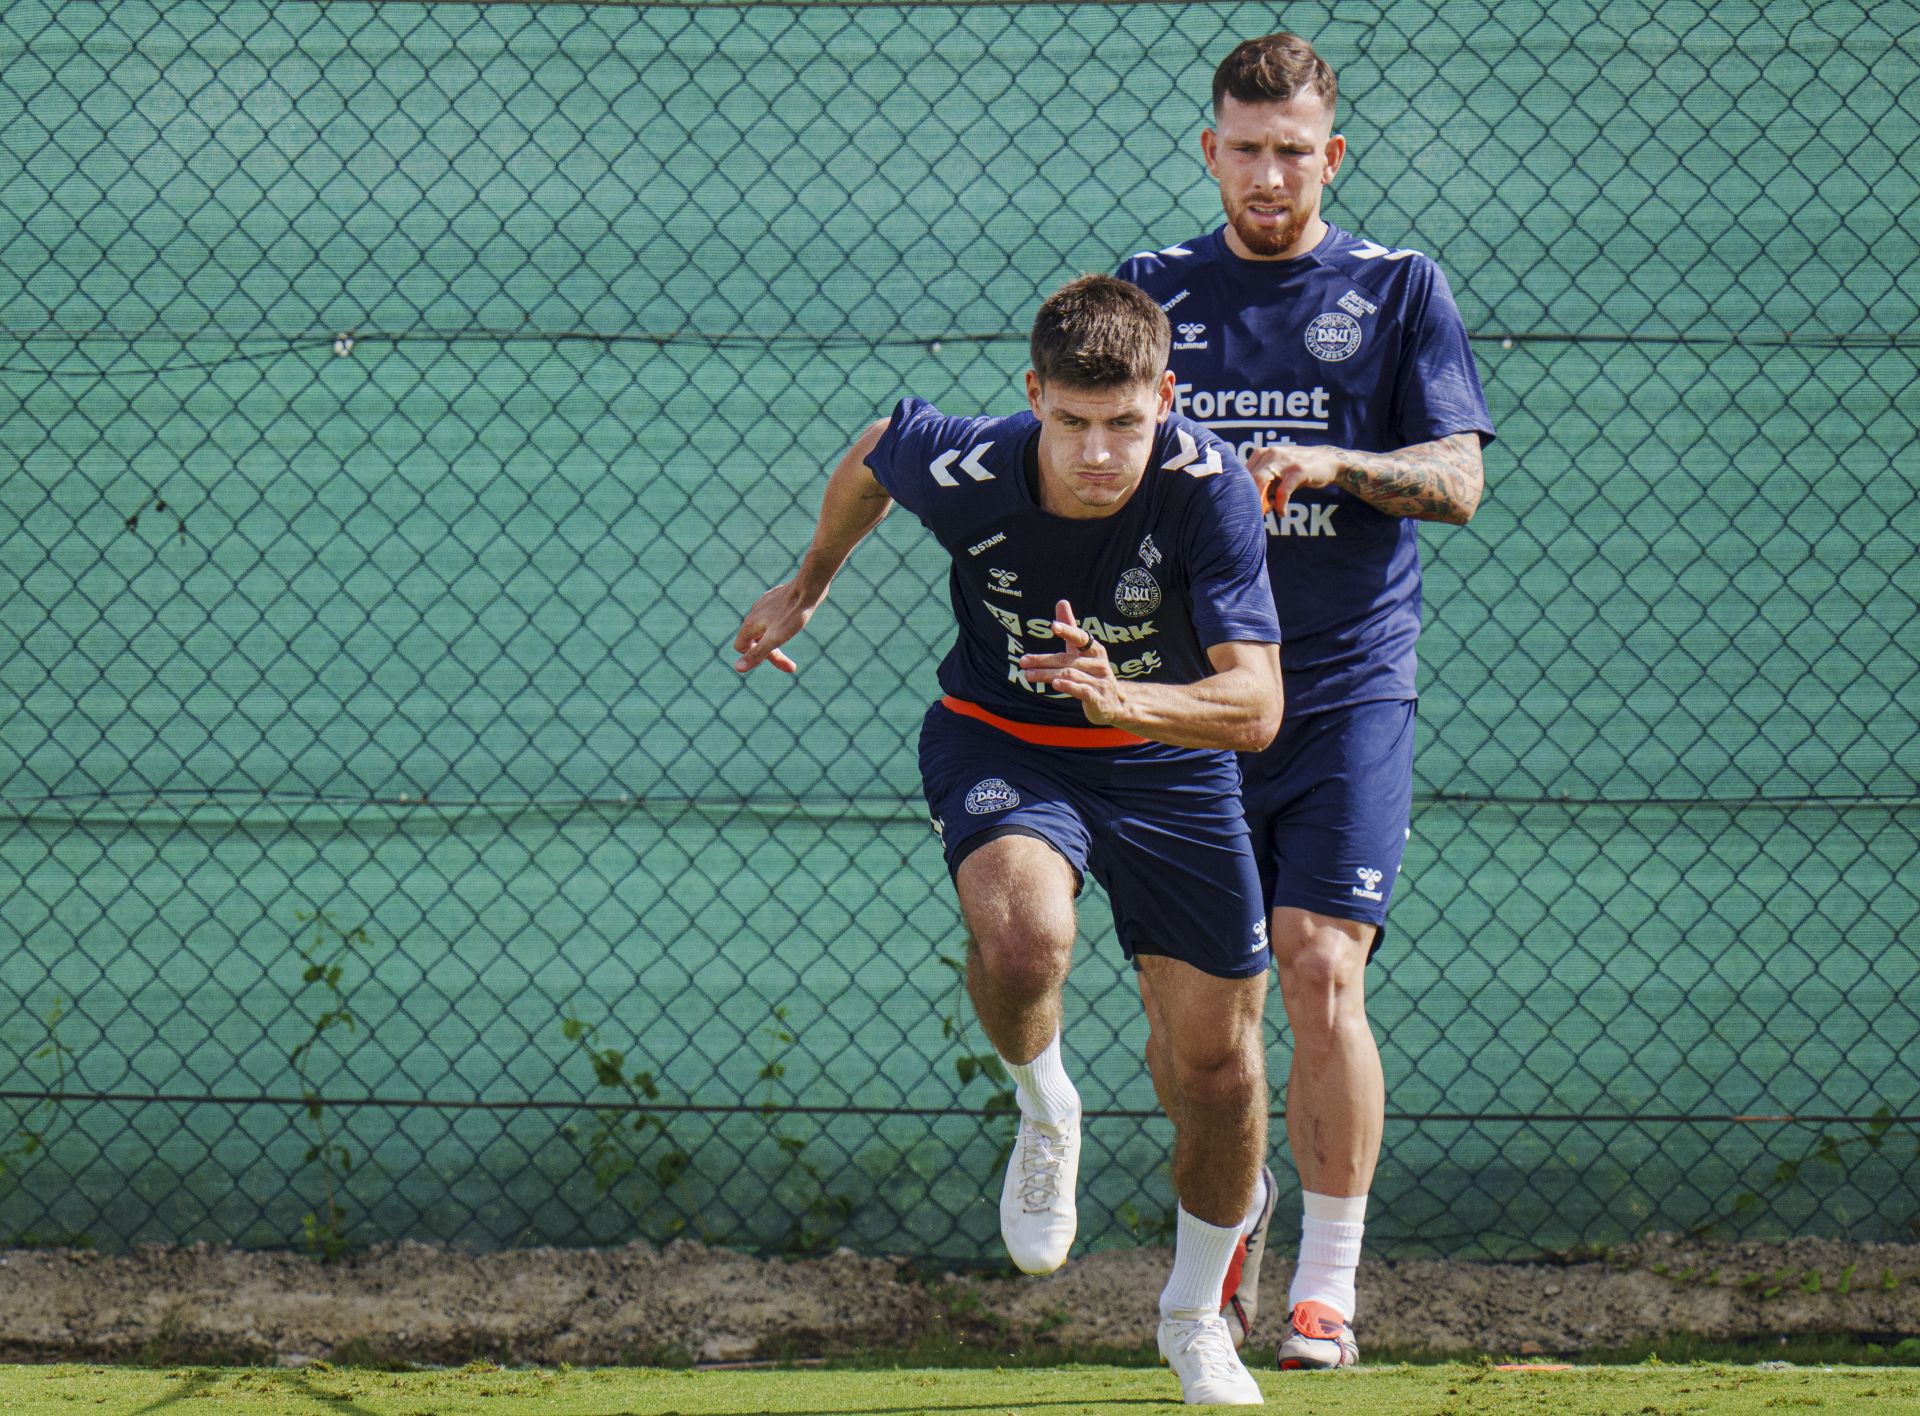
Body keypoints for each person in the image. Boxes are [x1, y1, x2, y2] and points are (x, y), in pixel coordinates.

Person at [733, 274, 1284, 1406]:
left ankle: (1193, 1319)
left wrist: (1127, 701)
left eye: (1125, 424)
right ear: (1033, 396)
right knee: (1027, 945)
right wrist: (810, 582)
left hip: (1171, 762)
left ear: (1166, 400)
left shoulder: (1207, 491)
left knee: (1219, 1073)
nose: (1097, 452)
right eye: (1072, 423)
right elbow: (879, 449)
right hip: (1002, 744)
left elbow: (1256, 707)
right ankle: (1047, 1106)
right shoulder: (970, 466)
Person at [1117, 32, 1495, 1372]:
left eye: (1294, 150)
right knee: (1194, 1020)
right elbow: (1087, 462)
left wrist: (1341, 463)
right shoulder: (1150, 295)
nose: (1269, 172)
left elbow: (1459, 481)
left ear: (1330, 156)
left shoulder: (1397, 290)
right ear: (1209, 150)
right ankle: (1225, 1241)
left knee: (1322, 964)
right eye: (1245, 146)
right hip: (1192, 700)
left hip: (1343, 688)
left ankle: (1324, 1290)